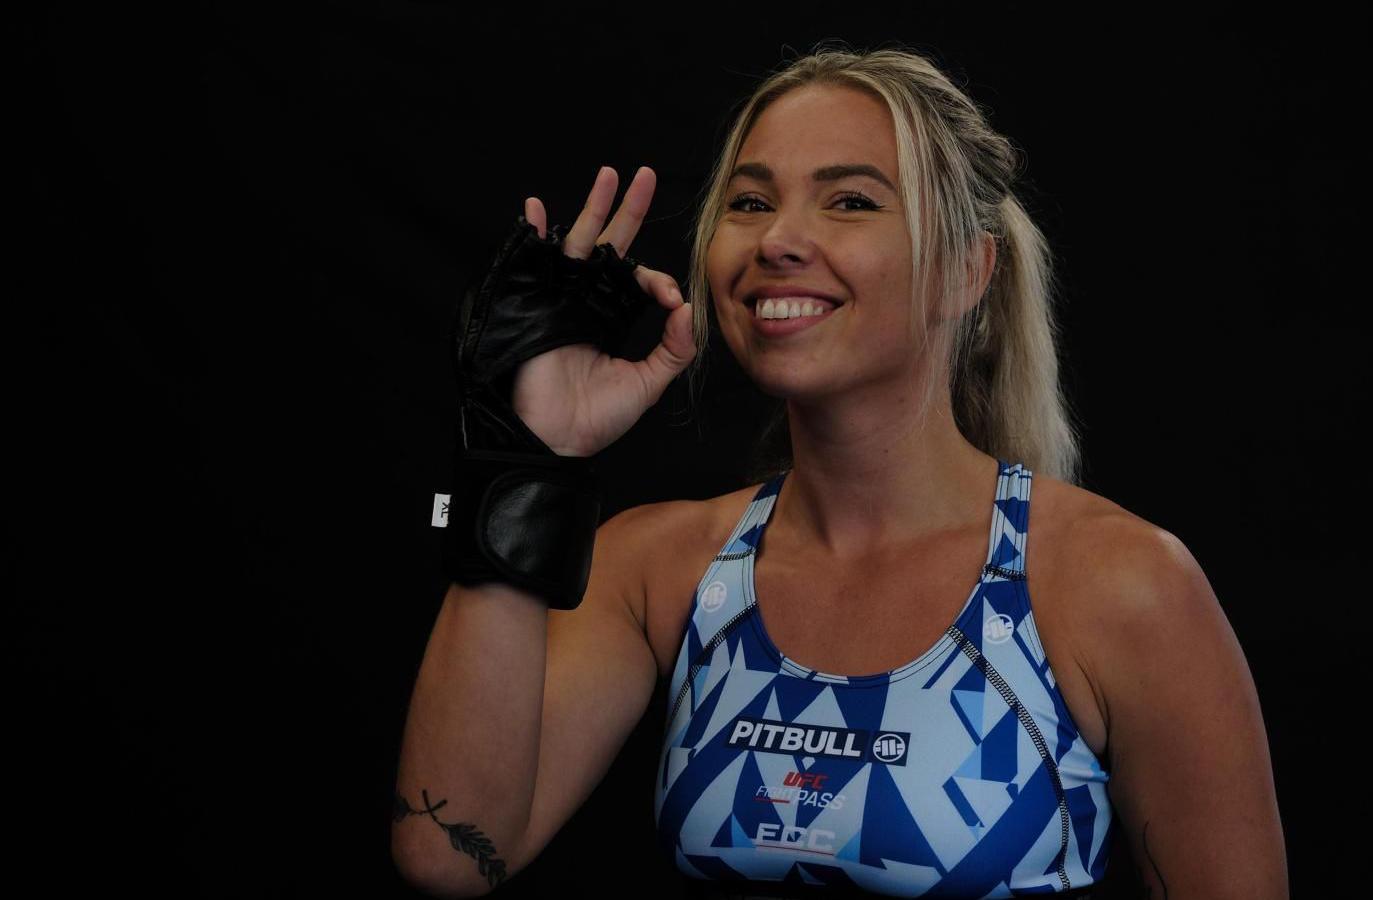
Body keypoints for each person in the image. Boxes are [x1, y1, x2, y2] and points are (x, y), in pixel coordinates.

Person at [392, 45, 1288, 900]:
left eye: (851, 201)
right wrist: (527, 456)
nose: (779, 239)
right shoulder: (657, 568)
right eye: (750, 202)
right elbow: (450, 854)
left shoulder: (1118, 583)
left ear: (965, 270)